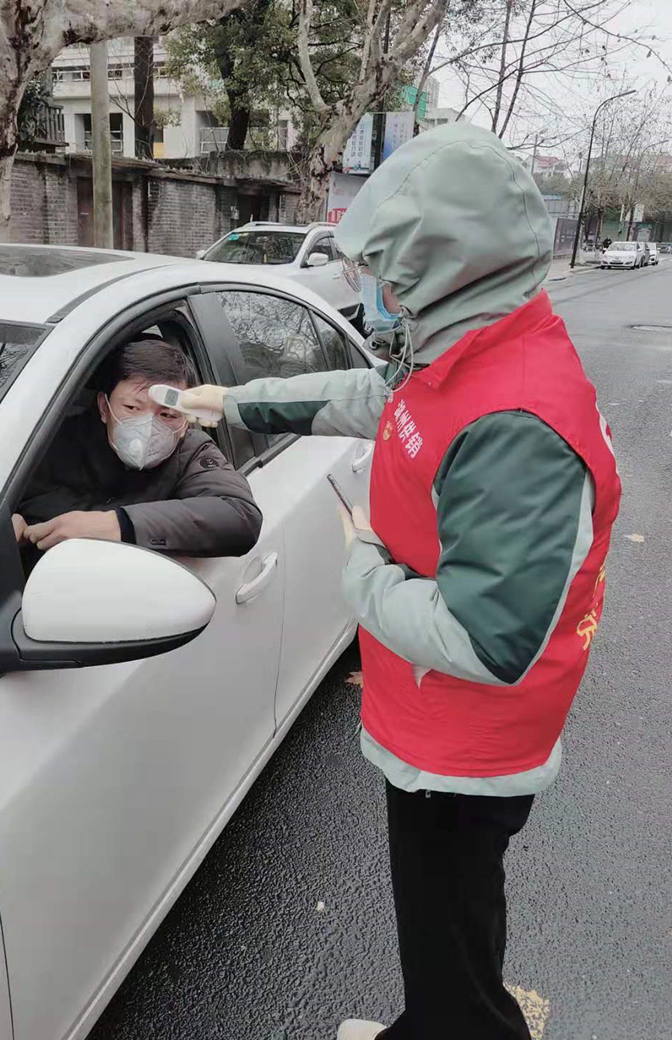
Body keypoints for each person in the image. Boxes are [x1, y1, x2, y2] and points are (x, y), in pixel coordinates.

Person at [179, 123, 621, 1040]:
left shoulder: (516, 419)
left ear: (444, 263)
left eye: (384, 264)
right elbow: (377, 397)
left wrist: (363, 567)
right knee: (449, 927)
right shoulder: (466, 352)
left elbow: (488, 641)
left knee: (447, 932)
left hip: (465, 744)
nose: (371, 283)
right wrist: (235, 401)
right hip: (432, 715)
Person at [13, 338, 262, 558]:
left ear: (186, 421)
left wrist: (119, 524)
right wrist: (10, 527)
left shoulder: (191, 453)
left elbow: (239, 516)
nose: (148, 427)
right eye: (132, 408)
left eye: (167, 414)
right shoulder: (48, 443)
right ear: (104, 407)